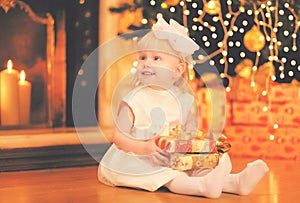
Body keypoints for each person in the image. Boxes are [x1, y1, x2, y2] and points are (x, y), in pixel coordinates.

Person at [98, 16, 269, 198]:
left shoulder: (183, 100)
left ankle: (234, 183)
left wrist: (197, 150)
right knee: (165, 175)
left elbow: (188, 133)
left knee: (195, 164)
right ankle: (201, 188)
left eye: (156, 58)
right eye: (142, 57)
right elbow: (118, 138)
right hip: (136, 157)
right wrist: (145, 148)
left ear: (177, 70)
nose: (146, 63)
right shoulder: (134, 99)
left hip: (170, 155)